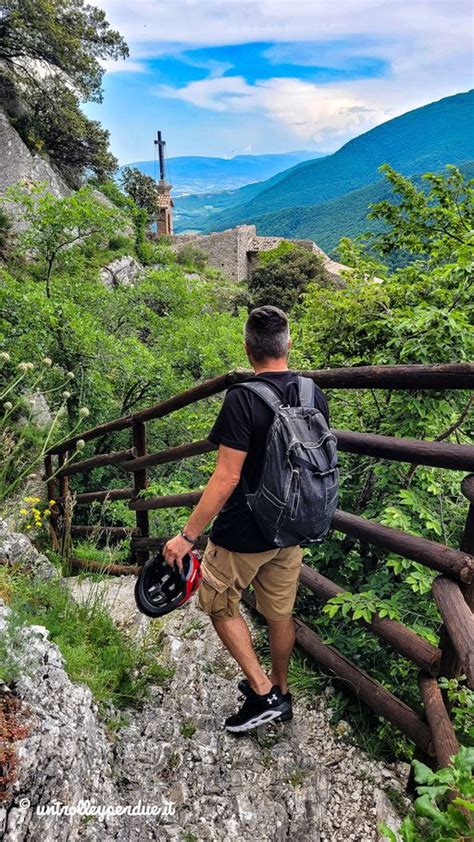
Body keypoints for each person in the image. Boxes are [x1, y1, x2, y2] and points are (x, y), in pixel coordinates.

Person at [163, 305, 329, 732]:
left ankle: (262, 693)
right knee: (279, 614)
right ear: (288, 344)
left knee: (218, 604)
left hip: (243, 533)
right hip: (292, 527)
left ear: (247, 348)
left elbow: (226, 477)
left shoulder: (242, 398)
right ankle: (282, 688)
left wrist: (187, 536)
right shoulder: (313, 393)